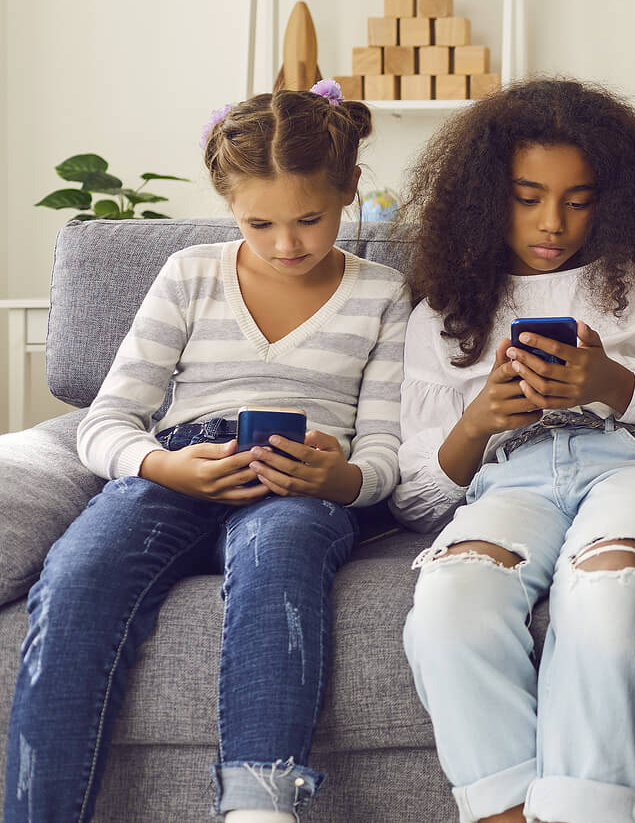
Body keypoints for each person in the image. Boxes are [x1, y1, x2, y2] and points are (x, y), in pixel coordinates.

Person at [4, 81, 409, 823]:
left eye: (310, 220)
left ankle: (259, 809)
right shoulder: (190, 274)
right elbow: (107, 421)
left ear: (349, 188)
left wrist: (344, 476)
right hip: (176, 464)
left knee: (280, 555)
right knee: (79, 575)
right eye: (260, 223)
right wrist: (161, 463)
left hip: (303, 477)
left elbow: (387, 447)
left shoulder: (384, 294)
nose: (286, 244)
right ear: (227, 202)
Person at [392, 78, 635, 823]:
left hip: (633, 468)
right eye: (527, 196)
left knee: (606, 600)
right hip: (509, 479)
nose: (554, 222)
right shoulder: (445, 310)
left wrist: (614, 382)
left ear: (610, 198)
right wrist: (477, 421)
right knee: (447, 606)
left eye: (578, 199)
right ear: (489, 195)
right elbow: (413, 493)